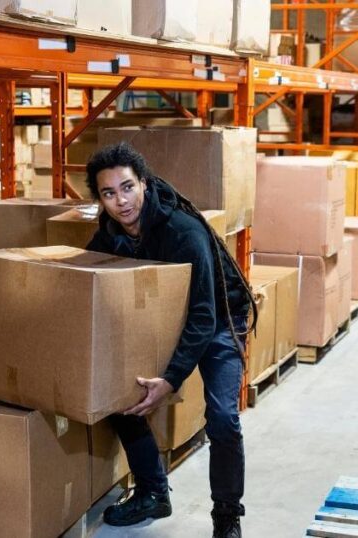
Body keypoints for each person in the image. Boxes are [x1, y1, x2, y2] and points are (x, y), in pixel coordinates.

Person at [84, 142, 258, 538]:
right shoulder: (110, 232)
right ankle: (152, 492)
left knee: (223, 418)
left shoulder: (183, 231)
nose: (121, 201)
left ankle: (227, 516)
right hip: (162, 318)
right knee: (118, 392)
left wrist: (171, 379)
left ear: (143, 183)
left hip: (218, 318)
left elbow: (202, 315)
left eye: (127, 187)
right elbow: (84, 272)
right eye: (109, 193)